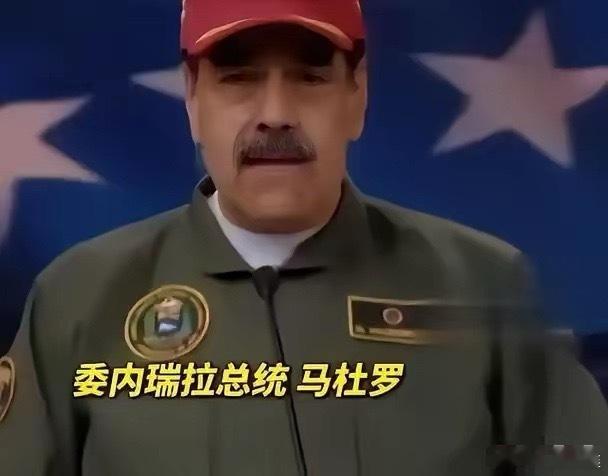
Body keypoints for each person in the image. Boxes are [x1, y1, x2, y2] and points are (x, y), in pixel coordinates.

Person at [1, 1, 606, 475]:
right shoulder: (77, 298)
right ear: (192, 99)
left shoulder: (488, 286)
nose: (275, 113)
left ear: (357, 95)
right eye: (239, 78)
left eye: (310, 78)